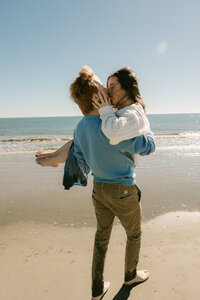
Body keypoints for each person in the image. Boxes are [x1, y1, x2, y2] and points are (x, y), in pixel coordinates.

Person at [36, 66, 155, 300]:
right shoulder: (112, 124)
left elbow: (76, 151)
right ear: (95, 96)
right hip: (123, 190)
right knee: (134, 235)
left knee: (101, 238)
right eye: (103, 85)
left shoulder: (81, 128)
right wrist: (147, 139)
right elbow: (144, 146)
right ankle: (130, 276)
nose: (106, 89)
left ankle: (97, 291)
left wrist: (53, 158)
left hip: (99, 190)